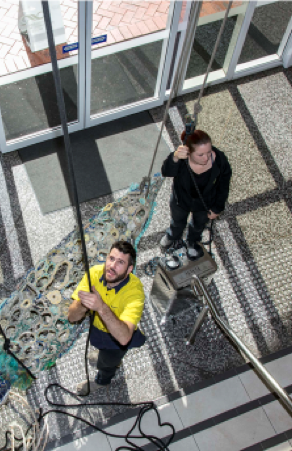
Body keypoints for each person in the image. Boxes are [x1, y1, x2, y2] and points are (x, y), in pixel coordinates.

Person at [67, 240, 146, 394]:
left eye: (120, 262)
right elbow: (72, 317)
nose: (112, 266)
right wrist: (84, 304)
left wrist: (101, 307)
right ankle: (102, 356)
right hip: (98, 330)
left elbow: (124, 338)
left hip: (117, 340)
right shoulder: (95, 273)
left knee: (107, 363)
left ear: (130, 269)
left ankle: (102, 381)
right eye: (111, 258)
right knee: (100, 349)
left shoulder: (135, 293)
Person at [160, 129, 232, 261]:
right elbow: (166, 171)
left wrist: (217, 208)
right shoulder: (181, 160)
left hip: (205, 203)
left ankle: (193, 242)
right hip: (181, 200)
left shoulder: (220, 160)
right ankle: (172, 236)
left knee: (198, 225)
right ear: (189, 152)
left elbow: (224, 185)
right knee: (177, 222)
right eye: (200, 155)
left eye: (209, 152)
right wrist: (175, 157)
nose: (206, 158)